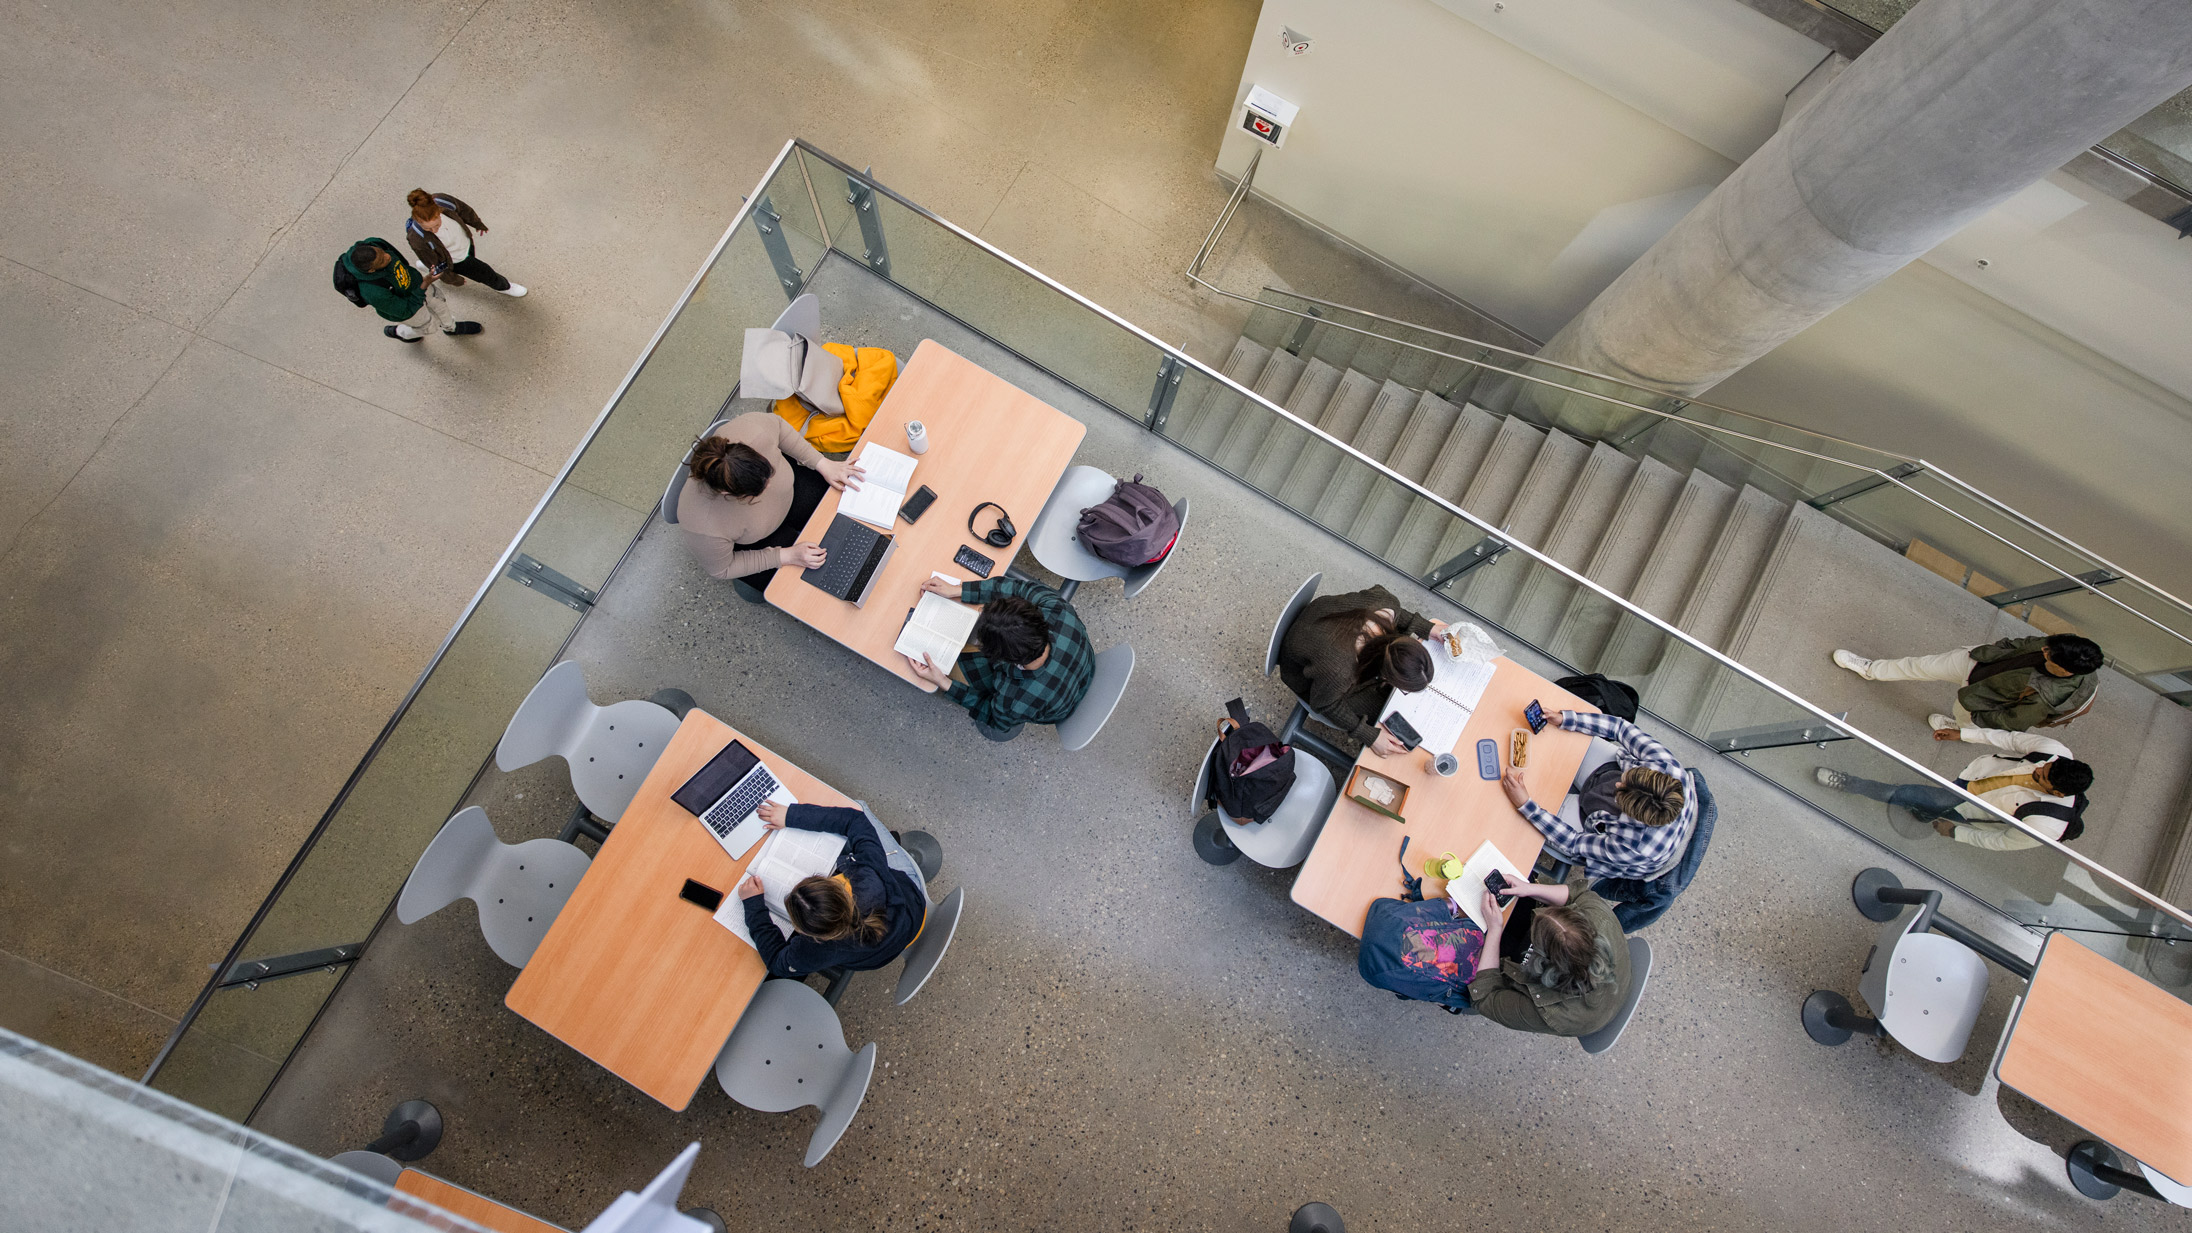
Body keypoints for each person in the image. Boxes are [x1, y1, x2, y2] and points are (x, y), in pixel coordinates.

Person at [1815, 724, 2093, 850]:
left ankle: (1848, 783)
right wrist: (1965, 734)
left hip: (1968, 809)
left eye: (2041, 777)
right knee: (1927, 800)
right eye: (2043, 766)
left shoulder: (2045, 826)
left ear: (2056, 793)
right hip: (1970, 780)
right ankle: (1924, 811)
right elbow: (2009, 739)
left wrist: (1957, 833)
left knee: (1899, 793)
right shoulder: (2053, 751)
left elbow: (2001, 841)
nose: (2037, 770)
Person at [675, 412, 863, 594]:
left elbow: (780, 427)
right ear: (727, 493)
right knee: (815, 583)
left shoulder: (752, 431)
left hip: (792, 494)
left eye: (769, 473)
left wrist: (822, 463)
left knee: (849, 514)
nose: (770, 484)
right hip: (759, 541)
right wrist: (787, 556)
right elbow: (722, 569)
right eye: (760, 489)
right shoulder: (702, 525)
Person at [1498, 710, 1697, 881]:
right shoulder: (1667, 768)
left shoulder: (1634, 848)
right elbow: (1621, 728)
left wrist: (1526, 804)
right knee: (1561, 736)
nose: (1618, 783)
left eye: (1620, 790)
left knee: (1522, 805)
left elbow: (1573, 842)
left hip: (1592, 824)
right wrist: (1567, 719)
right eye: (1627, 777)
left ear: (1630, 813)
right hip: (1609, 768)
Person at [736, 800, 924, 978]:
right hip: (910, 905)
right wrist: (791, 815)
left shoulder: (816, 951)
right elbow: (855, 819)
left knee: (858, 808)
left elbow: (778, 963)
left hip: (893, 936)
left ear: (810, 934)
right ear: (839, 888)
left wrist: (753, 906)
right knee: (859, 806)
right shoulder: (867, 875)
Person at [905, 576, 1093, 741]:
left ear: (1001, 660)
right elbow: (1021, 589)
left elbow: (992, 717)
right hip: (1082, 667)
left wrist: (943, 682)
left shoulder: (1015, 699)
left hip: (1049, 704)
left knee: (954, 658)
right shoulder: (1059, 610)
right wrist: (958, 590)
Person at [1274, 585, 1446, 757]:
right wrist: (1368, 735)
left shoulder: (1387, 605)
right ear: (1384, 676)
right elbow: (1324, 704)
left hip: (1321, 620)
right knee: (1380, 712)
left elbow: (1401, 614)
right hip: (1299, 668)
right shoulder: (1339, 671)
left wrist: (1427, 628)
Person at [1467, 866, 1631, 1038]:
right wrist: (1528, 888)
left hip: (1587, 1014)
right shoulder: (1598, 919)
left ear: (1540, 963)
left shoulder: (1551, 1012)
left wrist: (1494, 930)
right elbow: (1578, 895)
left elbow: (1484, 997)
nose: (1539, 913)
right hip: (1613, 987)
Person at [1830, 633, 2103, 732]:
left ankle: (1959, 727)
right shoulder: (2060, 648)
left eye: (2049, 655)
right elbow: (2023, 642)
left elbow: (2011, 722)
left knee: (1966, 722)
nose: (2044, 651)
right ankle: (1872, 669)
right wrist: (1998, 648)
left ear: (2065, 671)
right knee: (1921, 665)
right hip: (1978, 662)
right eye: (2047, 647)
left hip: (1980, 700)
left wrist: (1977, 716)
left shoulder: (2046, 696)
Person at [341, 238, 481, 343]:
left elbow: (402, 261)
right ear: (371, 270)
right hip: (409, 309)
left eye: (383, 253)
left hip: (419, 286)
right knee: (428, 327)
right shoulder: (373, 292)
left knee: (440, 303)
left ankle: (451, 328)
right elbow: (406, 309)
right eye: (382, 261)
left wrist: (421, 282)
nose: (388, 257)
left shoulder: (375, 244)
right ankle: (401, 333)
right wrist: (425, 283)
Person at [403, 189, 525, 298]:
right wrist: (453, 279)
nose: (434, 231)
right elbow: (436, 263)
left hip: (465, 244)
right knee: (484, 272)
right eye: (428, 229)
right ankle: (504, 286)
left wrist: (477, 223)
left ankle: (427, 267)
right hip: (456, 260)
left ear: (439, 211)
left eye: (437, 225)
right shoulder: (416, 239)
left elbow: (464, 210)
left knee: (468, 261)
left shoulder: (443, 201)